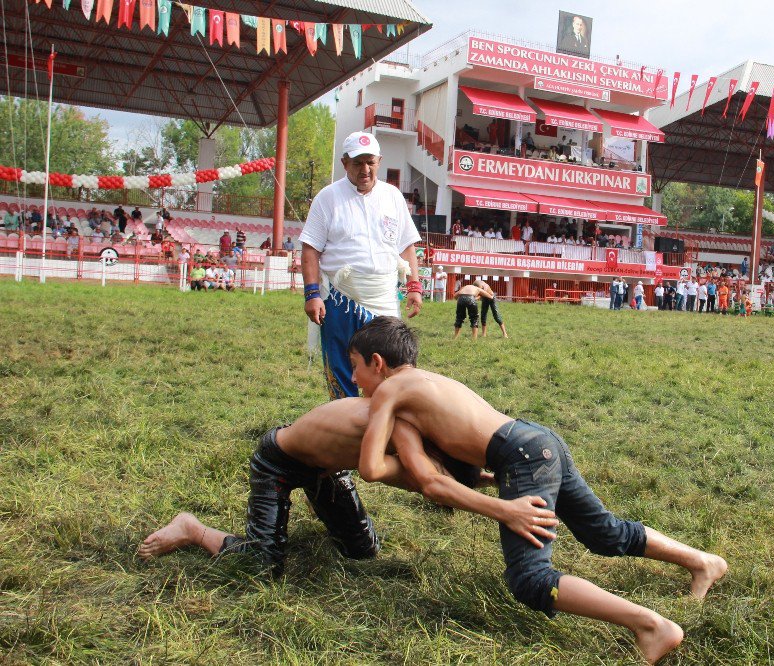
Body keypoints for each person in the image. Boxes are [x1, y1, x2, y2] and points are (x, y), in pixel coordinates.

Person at [351, 318, 728, 665]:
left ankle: (651, 626)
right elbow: (444, 447)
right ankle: (703, 562)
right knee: (603, 532)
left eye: (355, 366)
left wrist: (506, 510)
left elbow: (382, 472)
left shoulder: (390, 392)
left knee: (530, 578)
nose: (354, 379)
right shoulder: (422, 382)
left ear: (378, 362)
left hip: (521, 456)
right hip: (537, 440)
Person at [139, 398, 549, 573]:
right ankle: (193, 528)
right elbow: (431, 485)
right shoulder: (404, 428)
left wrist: (500, 482)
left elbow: (430, 479)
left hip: (327, 469)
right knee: (262, 565)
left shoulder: (425, 436)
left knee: (363, 552)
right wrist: (507, 510)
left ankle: (310, 520)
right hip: (277, 461)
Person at [300, 131, 423, 400]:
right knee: (341, 367)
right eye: (357, 163)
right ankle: (346, 424)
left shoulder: (392, 197)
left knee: (390, 365)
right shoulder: (327, 198)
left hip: (383, 298)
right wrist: (311, 294)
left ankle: (385, 419)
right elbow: (310, 247)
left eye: (370, 162)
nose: (365, 170)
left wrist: (414, 286)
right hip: (340, 298)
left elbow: (406, 246)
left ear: (379, 161)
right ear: (345, 163)